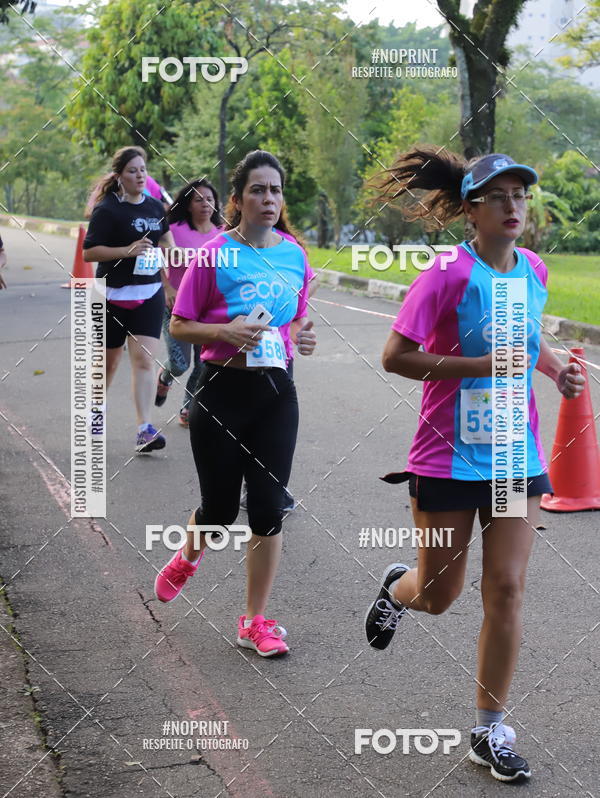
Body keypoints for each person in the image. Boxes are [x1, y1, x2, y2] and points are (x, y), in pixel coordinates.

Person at [363, 150, 585, 783]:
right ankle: (399, 587)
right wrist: (481, 368)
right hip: (447, 460)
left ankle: (487, 731)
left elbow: (530, 338)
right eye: (499, 196)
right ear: (471, 209)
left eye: (520, 194)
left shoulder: (533, 269)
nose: (514, 206)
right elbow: (396, 357)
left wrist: (558, 371)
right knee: (439, 594)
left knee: (507, 589)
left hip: (514, 459)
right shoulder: (445, 275)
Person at [154, 150, 317, 658]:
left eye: (275, 190)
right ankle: (188, 553)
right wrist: (224, 330)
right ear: (238, 198)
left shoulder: (295, 254)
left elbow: (297, 321)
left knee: (268, 509)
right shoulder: (215, 254)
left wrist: (302, 337)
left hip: (276, 392)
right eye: (257, 190)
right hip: (220, 388)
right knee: (222, 510)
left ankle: (254, 620)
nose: (268, 199)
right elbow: (180, 324)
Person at [83, 145, 176, 452]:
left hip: (147, 293)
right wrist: (127, 251)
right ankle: (95, 411)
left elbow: (165, 239)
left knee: (144, 362)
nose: (139, 175)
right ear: (120, 177)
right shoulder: (108, 210)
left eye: (143, 170)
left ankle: (144, 429)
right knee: (108, 364)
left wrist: (170, 260)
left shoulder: (154, 208)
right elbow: (90, 251)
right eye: (132, 170)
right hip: (111, 294)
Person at [155, 179, 222, 427]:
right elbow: (156, 259)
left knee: (203, 363)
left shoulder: (222, 234)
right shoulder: (174, 229)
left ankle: (187, 408)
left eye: (210, 199)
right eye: (199, 199)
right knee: (180, 364)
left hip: (208, 310)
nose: (205, 204)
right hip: (175, 305)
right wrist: (167, 287)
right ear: (188, 204)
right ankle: (165, 376)